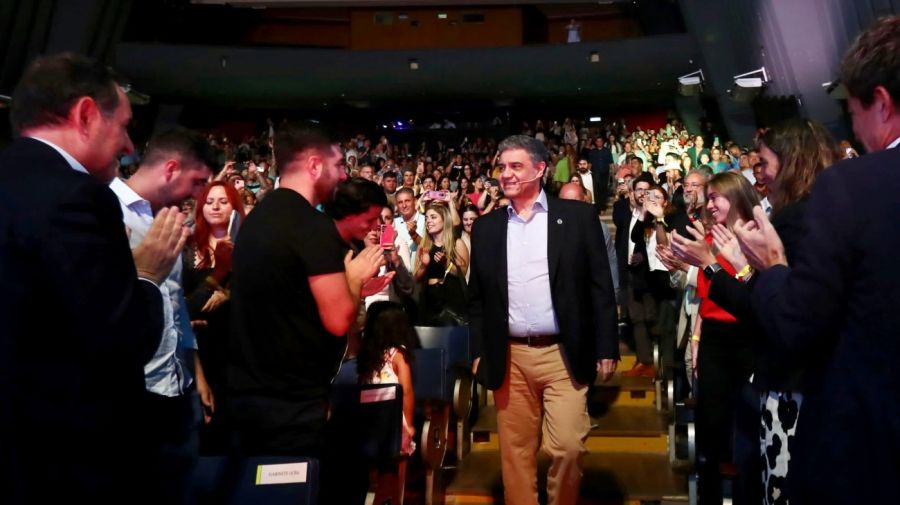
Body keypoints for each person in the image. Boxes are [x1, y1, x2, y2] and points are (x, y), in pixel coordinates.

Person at [0, 52, 186, 503]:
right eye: (123, 126)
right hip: (65, 458)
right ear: (85, 114)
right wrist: (145, 274)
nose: (127, 146)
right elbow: (119, 340)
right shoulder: (77, 198)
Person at [732, 15, 900, 504]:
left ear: (882, 104)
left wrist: (770, 269)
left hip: (869, 454)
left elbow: (799, 326)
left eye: (852, 110)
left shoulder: (853, 188)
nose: (854, 125)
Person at [225, 124, 389, 472]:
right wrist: (356, 278)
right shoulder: (311, 228)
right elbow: (339, 319)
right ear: (315, 166)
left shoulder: (257, 218)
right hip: (294, 405)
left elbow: (289, 297)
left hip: (249, 396)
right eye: (339, 165)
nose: (344, 175)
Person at [467, 135, 618, 505]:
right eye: (502, 167)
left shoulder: (580, 218)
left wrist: (607, 346)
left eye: (516, 166)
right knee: (515, 454)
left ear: (540, 169)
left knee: (567, 447)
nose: (506, 174)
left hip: (563, 352)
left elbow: (601, 287)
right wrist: (477, 350)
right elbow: (477, 300)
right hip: (510, 356)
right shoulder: (486, 228)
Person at [108, 126, 215, 503]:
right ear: (170, 168)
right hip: (131, 392)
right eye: (197, 181)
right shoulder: (107, 211)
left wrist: (196, 369)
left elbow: (174, 304)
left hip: (176, 383)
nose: (198, 194)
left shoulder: (164, 219)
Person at [670, 172, 760, 505]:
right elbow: (706, 297)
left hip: (747, 335)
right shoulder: (709, 238)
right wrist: (696, 339)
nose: (709, 203)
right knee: (711, 427)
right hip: (713, 338)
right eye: (708, 197)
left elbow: (753, 294)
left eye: (715, 197)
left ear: (736, 197)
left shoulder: (755, 236)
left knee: (746, 428)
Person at [183, 180, 245, 454]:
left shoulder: (248, 245)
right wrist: (217, 276)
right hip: (199, 350)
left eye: (224, 201)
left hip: (238, 351)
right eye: (210, 201)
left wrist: (229, 294)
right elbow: (184, 308)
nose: (216, 207)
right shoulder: (188, 248)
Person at [357, 301, 418, 505]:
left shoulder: (366, 353)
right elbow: (407, 391)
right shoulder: (398, 355)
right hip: (392, 421)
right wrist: (409, 424)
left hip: (368, 420)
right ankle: (394, 496)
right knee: (397, 464)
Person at [414, 202, 469, 326]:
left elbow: (462, 273)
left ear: (445, 220)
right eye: (427, 218)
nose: (428, 221)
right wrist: (424, 265)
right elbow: (416, 278)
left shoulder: (457, 243)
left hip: (452, 300)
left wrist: (446, 263)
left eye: (433, 217)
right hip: (429, 300)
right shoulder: (423, 246)